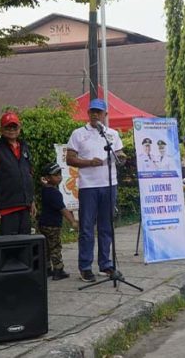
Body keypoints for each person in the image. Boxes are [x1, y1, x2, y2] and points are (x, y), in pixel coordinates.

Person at [66, 99, 126, 283]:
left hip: (109, 184)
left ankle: (105, 264)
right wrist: (88, 162)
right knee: (86, 228)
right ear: (88, 113)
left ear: (105, 115)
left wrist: (122, 158)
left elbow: (121, 154)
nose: (95, 115)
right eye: (92, 111)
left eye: (99, 112)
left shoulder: (112, 134)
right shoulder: (78, 134)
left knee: (106, 226)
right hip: (89, 186)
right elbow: (70, 159)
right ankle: (85, 267)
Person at [0, 112, 36, 235]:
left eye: (14, 127)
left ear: (19, 128)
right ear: (1, 130)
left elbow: (28, 174)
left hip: (25, 205)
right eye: (8, 127)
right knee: (9, 246)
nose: (11, 130)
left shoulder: (24, 147)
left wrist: (31, 200)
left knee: (25, 244)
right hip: (7, 207)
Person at [39, 162, 78, 281]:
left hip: (43, 224)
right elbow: (63, 209)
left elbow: (44, 184)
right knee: (55, 247)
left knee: (45, 248)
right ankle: (58, 270)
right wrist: (73, 221)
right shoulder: (55, 193)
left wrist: (43, 181)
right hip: (53, 225)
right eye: (56, 175)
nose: (59, 177)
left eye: (60, 174)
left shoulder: (45, 190)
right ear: (48, 178)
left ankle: (46, 269)